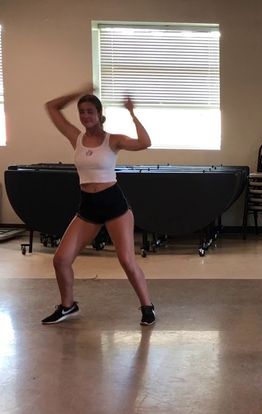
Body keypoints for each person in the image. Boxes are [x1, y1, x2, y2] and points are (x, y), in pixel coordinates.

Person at [42, 84, 156, 325]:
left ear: (99, 115)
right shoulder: (76, 137)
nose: (85, 116)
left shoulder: (112, 140)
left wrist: (132, 114)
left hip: (114, 204)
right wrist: (80, 90)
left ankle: (147, 307)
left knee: (126, 259)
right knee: (60, 260)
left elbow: (145, 142)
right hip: (88, 206)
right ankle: (67, 305)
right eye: (81, 111)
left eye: (89, 111)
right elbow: (51, 107)